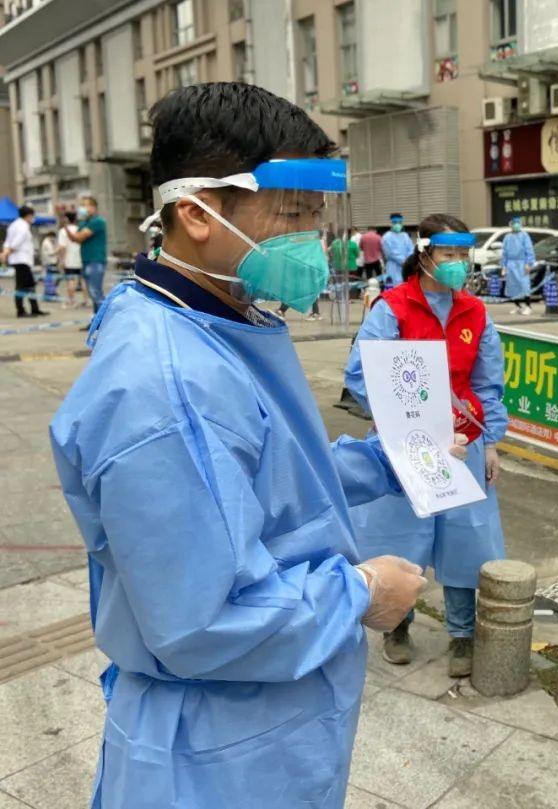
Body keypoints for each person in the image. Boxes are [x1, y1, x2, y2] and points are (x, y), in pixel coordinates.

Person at [49, 81, 442, 809]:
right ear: (197, 213)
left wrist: (392, 459)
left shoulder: (215, 315)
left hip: (266, 724)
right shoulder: (161, 387)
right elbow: (201, 620)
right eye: (292, 216)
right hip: (216, 754)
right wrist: (361, 591)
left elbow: (273, 474)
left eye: (316, 217)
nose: (311, 242)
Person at [344, 213, 507, 677]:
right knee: (400, 536)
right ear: (425, 254)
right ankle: (397, 622)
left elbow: (488, 383)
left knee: (464, 537)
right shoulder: (392, 309)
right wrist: (395, 420)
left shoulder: (475, 313)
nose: (457, 264)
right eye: (448, 255)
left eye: (463, 255)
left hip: (464, 441)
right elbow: (361, 373)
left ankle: (461, 634)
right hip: (404, 444)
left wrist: (491, 443)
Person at [68, 195, 108, 319]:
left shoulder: (98, 221)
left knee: (96, 293)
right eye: (82, 205)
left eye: (85, 205)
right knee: (93, 293)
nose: (83, 208)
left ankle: (103, 321)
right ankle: (96, 322)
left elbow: (79, 237)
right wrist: (64, 224)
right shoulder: (84, 222)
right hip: (86, 261)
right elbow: (74, 239)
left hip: (96, 260)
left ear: (93, 207)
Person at [2, 205, 46, 317]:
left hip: (19, 260)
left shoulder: (13, 225)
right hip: (22, 260)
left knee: (29, 285)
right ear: (29, 215)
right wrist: (7, 252)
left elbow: (7, 241)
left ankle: (34, 308)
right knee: (22, 286)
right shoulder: (23, 226)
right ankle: (21, 310)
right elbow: (17, 241)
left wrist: (6, 251)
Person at [500, 215, 535, 315]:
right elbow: (505, 252)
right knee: (512, 286)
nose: (516, 225)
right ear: (510, 224)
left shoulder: (524, 236)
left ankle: (528, 306)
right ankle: (518, 306)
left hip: (522, 263)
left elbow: (529, 250)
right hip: (510, 264)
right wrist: (504, 266)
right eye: (514, 223)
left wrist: (528, 263)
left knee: (524, 285)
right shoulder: (507, 237)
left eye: (518, 223)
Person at [58, 211, 85, 308]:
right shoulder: (80, 229)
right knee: (83, 280)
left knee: (71, 280)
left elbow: (62, 247)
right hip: (81, 259)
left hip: (69, 260)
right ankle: (85, 300)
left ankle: (72, 301)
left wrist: (61, 260)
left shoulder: (63, 231)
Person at [381, 213, 412, 288]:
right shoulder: (387, 237)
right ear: (390, 223)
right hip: (393, 267)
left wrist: (409, 260)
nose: (397, 225)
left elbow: (411, 249)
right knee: (393, 288)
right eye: (395, 222)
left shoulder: (405, 236)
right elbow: (390, 253)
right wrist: (404, 261)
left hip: (406, 267)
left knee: (405, 287)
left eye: (400, 223)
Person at [40, 229, 60, 301]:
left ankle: (50, 293)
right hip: (50, 262)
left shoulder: (47, 242)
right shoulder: (47, 243)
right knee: (51, 279)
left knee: (50, 279)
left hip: (49, 262)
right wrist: (58, 250)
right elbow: (51, 253)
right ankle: (50, 293)